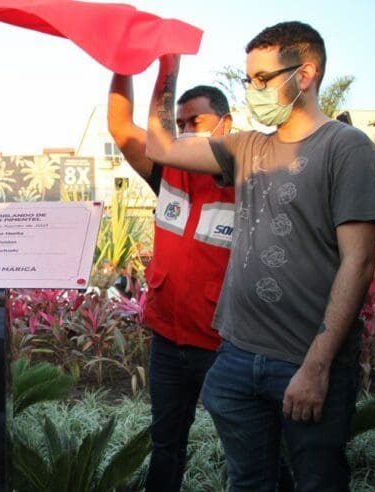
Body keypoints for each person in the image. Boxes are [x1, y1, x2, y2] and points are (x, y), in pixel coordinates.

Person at [145, 21, 375, 490]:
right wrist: (167, 64)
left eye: (263, 79)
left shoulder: (346, 148)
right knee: (248, 482)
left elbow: (358, 262)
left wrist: (316, 367)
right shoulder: (247, 147)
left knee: (317, 482)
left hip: (306, 360)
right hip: (235, 359)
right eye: (249, 80)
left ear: (306, 74)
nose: (253, 91)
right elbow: (161, 146)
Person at [108, 76, 234, 490]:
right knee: (166, 446)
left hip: (224, 345)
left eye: (196, 121)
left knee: (249, 448)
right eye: (179, 123)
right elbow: (121, 128)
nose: (185, 131)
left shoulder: (249, 180)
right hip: (167, 341)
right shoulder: (167, 174)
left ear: (225, 125)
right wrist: (128, 66)